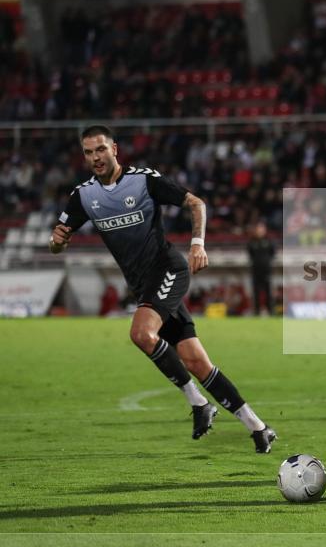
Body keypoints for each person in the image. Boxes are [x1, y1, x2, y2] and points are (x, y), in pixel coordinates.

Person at [50, 125, 277, 452]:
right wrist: (56, 243)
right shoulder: (84, 196)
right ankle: (258, 427)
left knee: (141, 334)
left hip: (169, 268)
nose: (96, 157)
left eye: (101, 149)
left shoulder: (143, 180)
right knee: (197, 363)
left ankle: (199, 403)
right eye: (88, 152)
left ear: (114, 148)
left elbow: (196, 203)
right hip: (144, 286)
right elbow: (58, 240)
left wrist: (197, 244)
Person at [247, 221, 276, 315]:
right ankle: (257, 311)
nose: (260, 231)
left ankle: (271, 311)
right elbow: (250, 254)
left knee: (268, 292)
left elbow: (273, 253)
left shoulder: (269, 241)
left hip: (266, 270)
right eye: (258, 229)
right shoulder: (252, 242)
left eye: (261, 229)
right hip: (255, 271)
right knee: (256, 292)